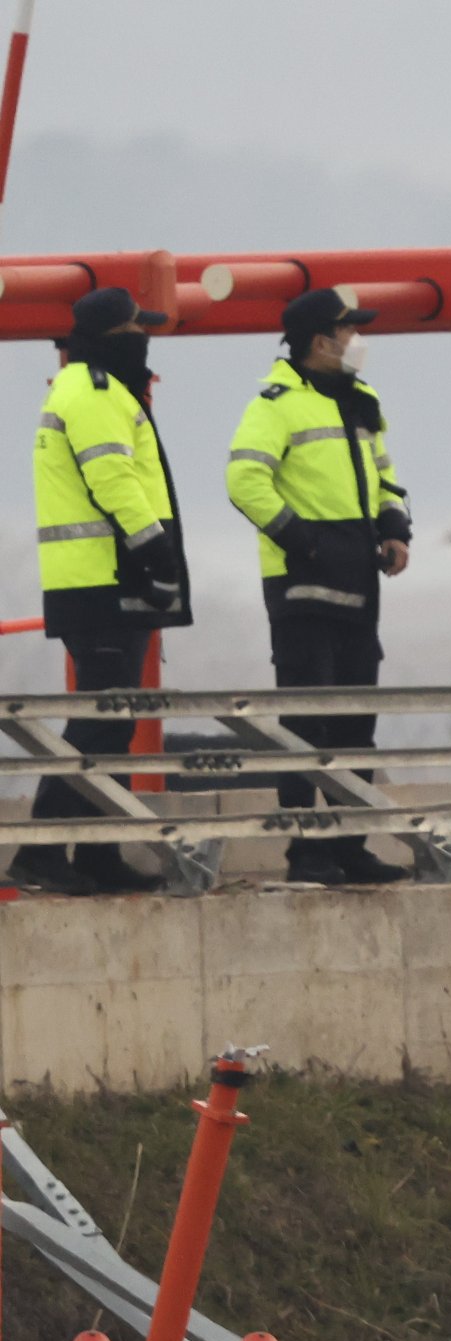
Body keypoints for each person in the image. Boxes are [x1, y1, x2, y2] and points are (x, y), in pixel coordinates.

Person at [224, 286, 409, 886]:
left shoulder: (362, 398)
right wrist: (304, 544)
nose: (357, 340)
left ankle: (351, 847)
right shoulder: (275, 404)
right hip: (304, 592)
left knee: (357, 725)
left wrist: (395, 527)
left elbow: (384, 474)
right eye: (349, 330)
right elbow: (244, 480)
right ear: (320, 341)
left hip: (359, 587)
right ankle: (307, 851)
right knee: (306, 723)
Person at [21, 285, 188, 895]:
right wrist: (156, 547)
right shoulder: (91, 391)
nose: (142, 339)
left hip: (106, 576)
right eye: (134, 330)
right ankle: (39, 853)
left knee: (112, 724)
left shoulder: (99, 387)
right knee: (98, 722)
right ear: (112, 337)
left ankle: (96, 853)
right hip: (101, 580)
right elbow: (112, 476)